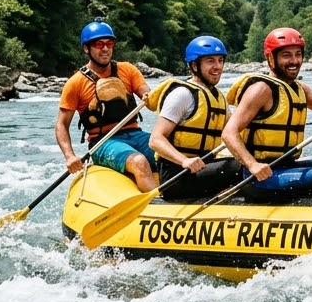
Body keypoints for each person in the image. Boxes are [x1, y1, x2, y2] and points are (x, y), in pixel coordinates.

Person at [222, 27, 312, 202]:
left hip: (287, 166)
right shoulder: (261, 89)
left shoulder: (299, 89)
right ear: (270, 58)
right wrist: (252, 165)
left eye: (298, 54)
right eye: (286, 55)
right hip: (261, 178)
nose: (294, 61)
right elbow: (229, 133)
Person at [56, 19, 156, 193]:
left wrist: (151, 97)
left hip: (135, 134)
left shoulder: (128, 70)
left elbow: (150, 99)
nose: (105, 48)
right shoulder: (75, 83)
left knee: (172, 151)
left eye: (109, 43)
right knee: (139, 162)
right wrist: (70, 156)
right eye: (98, 44)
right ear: (86, 48)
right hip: (102, 142)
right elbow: (61, 125)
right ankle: (158, 204)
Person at [146, 35, 241, 201]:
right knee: (238, 167)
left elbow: (231, 134)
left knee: (248, 160)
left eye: (220, 60)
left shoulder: (219, 98)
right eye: (210, 61)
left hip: (203, 169)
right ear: (195, 65)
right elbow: (155, 140)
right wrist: (184, 161)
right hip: (177, 176)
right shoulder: (182, 94)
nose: (218, 66)